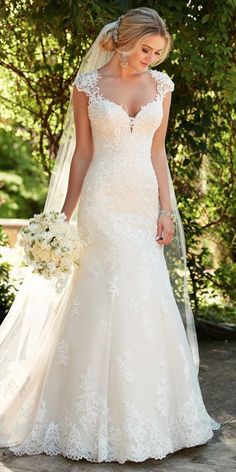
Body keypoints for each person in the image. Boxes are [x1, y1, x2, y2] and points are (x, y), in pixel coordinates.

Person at [0, 7, 221, 464]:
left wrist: (165, 209)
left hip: (142, 202)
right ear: (124, 40)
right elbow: (82, 154)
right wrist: (64, 215)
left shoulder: (161, 86)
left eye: (158, 53)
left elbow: (157, 152)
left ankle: (154, 414)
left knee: (145, 293)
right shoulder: (88, 86)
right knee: (104, 291)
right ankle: (84, 416)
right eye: (145, 49)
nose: (151, 60)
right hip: (101, 201)